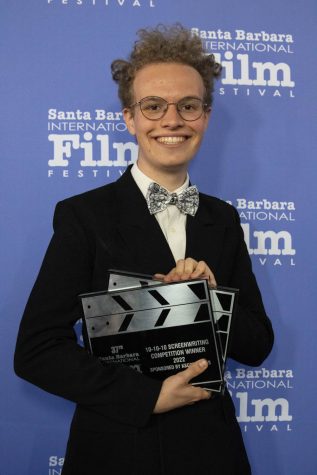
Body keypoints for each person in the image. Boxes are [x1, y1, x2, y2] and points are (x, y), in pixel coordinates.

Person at [14, 24, 274, 475]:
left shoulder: (224, 219)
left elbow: (258, 345)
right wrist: (147, 397)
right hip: (117, 449)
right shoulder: (84, 216)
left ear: (205, 117)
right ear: (130, 118)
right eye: (153, 106)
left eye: (188, 106)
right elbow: (36, 351)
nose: (172, 120)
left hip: (212, 451)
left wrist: (211, 303)